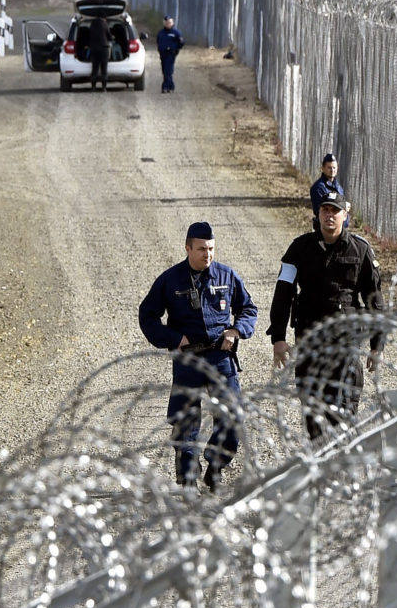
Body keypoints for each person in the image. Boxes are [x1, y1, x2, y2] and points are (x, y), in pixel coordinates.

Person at [139, 222, 258, 491]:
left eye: (212, 249)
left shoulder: (226, 276)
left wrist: (236, 330)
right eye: (202, 249)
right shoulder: (170, 280)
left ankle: (216, 466)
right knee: (186, 419)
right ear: (188, 248)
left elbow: (249, 309)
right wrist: (173, 339)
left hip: (220, 357)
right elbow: (147, 316)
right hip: (189, 359)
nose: (208, 255)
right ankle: (188, 474)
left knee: (231, 417)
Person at [267, 192, 384, 440]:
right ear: (318, 214)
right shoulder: (299, 249)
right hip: (311, 342)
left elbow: (375, 300)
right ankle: (321, 467)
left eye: (335, 211)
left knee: (344, 415)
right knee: (314, 416)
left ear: (345, 215)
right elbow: (283, 293)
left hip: (346, 346)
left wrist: (377, 345)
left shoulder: (361, 250)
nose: (329, 216)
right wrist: (278, 337)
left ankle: (339, 468)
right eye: (325, 211)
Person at [309, 153, 349, 231]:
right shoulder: (318, 188)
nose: (332, 170)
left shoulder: (338, 186)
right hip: (324, 228)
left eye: (334, 168)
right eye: (329, 168)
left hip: (339, 228)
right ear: (323, 168)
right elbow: (321, 210)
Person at [156, 15, 184, 94]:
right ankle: (171, 86)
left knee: (168, 70)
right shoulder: (161, 33)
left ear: (172, 23)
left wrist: (176, 49)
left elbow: (181, 42)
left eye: (169, 23)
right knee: (164, 70)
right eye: (166, 23)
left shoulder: (176, 32)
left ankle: (165, 86)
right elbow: (158, 41)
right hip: (163, 54)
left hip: (171, 54)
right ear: (164, 23)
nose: (168, 24)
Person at [87, 15, 112, 91]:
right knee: (104, 69)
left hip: (94, 48)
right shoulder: (104, 24)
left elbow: (88, 36)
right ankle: (104, 87)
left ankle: (93, 87)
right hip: (104, 49)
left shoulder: (92, 25)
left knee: (94, 68)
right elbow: (109, 36)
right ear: (104, 18)